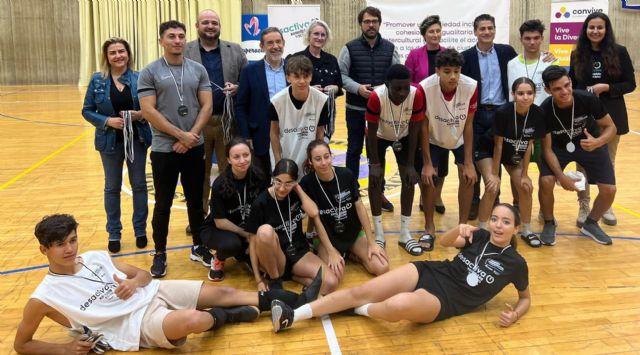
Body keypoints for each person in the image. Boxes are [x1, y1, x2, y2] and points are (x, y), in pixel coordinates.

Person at [13, 214, 321, 353]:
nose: (69, 249)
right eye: (59, 244)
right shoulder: (43, 296)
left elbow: (145, 275)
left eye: (71, 240)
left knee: (224, 291)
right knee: (196, 319)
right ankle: (232, 315)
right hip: (133, 324)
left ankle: (301, 299)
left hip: (152, 292)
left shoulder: (94, 257)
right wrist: (65, 350)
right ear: (44, 250)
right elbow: (21, 344)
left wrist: (135, 284)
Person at [271, 203, 530, 332]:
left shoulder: (516, 264)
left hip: (446, 300)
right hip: (432, 271)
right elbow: (444, 242)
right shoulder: (480, 236)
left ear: (516, 228)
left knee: (397, 306)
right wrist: (458, 228)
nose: (497, 225)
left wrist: (516, 315)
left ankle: (362, 311)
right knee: (361, 289)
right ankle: (293, 316)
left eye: (505, 222)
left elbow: (525, 298)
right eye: (495, 219)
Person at [138, 20, 213, 277]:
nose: (178, 40)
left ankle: (199, 246)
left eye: (181, 36)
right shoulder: (150, 72)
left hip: (194, 145)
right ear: (161, 40)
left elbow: (207, 106)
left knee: (195, 199)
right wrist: (180, 135)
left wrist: (190, 137)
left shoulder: (198, 69)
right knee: (163, 203)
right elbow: (148, 110)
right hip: (164, 148)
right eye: (171, 36)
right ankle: (159, 252)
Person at [81, 37, 152, 253]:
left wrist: (139, 114)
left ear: (128, 54)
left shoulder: (140, 78)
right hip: (109, 142)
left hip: (137, 140)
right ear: (107, 57)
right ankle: (114, 232)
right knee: (112, 188)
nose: (118, 55)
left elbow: (151, 109)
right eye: (113, 52)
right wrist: (106, 121)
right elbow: (87, 110)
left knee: (139, 185)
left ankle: (140, 230)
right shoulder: (97, 80)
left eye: (122, 51)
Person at [569, 12, 636, 228]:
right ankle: (584, 205)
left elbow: (630, 84)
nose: (595, 31)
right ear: (585, 30)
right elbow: (571, 83)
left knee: (608, 162)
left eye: (600, 27)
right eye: (591, 27)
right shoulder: (578, 53)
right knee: (582, 165)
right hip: (584, 116)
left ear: (606, 30)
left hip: (612, 117)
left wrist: (607, 88)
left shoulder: (620, 52)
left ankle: (606, 204)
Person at [184, 9, 247, 235]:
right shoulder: (185, 50)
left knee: (226, 171)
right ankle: (198, 218)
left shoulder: (236, 50)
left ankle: (225, 216)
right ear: (197, 26)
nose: (210, 26)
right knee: (197, 174)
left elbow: (246, 80)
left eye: (214, 22)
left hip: (226, 122)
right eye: (205, 23)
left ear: (219, 26)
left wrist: (239, 88)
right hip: (196, 122)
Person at [538, 65, 617, 246]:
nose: (565, 91)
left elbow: (611, 127)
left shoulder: (587, 99)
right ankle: (549, 222)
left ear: (571, 82)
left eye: (567, 85)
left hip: (590, 143)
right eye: (557, 89)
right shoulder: (544, 110)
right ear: (548, 90)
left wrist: (598, 142)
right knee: (546, 181)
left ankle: (591, 223)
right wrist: (561, 178)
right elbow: (547, 149)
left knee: (609, 190)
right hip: (558, 148)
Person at [245, 159, 340, 295]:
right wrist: (258, 280)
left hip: (298, 252)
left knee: (331, 282)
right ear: (272, 178)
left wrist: (298, 189)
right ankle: (275, 279)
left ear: (295, 182)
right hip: (276, 259)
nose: (282, 188)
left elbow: (313, 212)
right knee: (264, 231)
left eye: (288, 183)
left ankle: (293, 277)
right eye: (278, 181)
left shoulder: (295, 194)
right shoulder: (261, 203)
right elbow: (253, 244)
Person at [339, 6, 400, 212]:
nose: (371, 25)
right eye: (367, 21)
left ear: (379, 23)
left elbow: (396, 76)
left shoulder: (390, 48)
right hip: (355, 109)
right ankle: (350, 191)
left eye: (374, 21)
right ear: (361, 24)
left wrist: (382, 91)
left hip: (380, 112)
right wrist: (358, 89)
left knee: (377, 153)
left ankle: (379, 192)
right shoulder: (349, 48)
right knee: (354, 150)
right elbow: (341, 76)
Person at [300, 139, 389, 276]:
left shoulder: (346, 175)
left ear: (331, 156)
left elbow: (359, 207)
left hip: (352, 234)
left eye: (326, 156)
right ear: (310, 162)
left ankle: (350, 254)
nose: (323, 163)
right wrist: (330, 251)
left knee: (381, 267)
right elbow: (313, 217)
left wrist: (372, 242)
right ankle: (344, 254)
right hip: (326, 238)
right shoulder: (307, 183)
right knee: (334, 275)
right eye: (317, 159)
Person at [418, 49, 478, 249]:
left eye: (456, 71)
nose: (453, 76)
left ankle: (462, 226)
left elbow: (469, 125)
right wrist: (427, 163)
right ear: (437, 71)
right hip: (434, 137)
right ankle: (429, 228)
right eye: (447, 71)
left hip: (459, 137)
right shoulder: (425, 88)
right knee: (428, 178)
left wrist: (469, 162)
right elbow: (423, 126)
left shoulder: (471, 86)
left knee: (469, 176)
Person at [462, 14, 518, 220]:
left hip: (501, 113)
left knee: (497, 156)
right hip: (476, 114)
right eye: (482, 28)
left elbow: (524, 65)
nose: (486, 32)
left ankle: (494, 200)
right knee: (474, 157)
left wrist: (546, 57)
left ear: (495, 30)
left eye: (490, 28)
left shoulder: (507, 52)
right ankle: (474, 202)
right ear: (475, 31)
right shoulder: (466, 56)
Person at [365, 64, 424, 255]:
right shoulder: (376, 97)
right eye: (397, 88)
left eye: (406, 87)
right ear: (386, 84)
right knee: (375, 181)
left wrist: (410, 164)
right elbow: (371, 132)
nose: (402, 93)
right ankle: (379, 234)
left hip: (405, 137)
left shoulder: (416, 95)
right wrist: (374, 164)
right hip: (379, 138)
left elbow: (415, 130)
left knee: (409, 180)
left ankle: (405, 233)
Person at [483, 78, 546, 247]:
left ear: (534, 94)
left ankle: (526, 229)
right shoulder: (503, 112)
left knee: (526, 187)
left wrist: (524, 174)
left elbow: (529, 145)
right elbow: (498, 144)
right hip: (490, 150)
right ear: (513, 94)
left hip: (515, 153)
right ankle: (481, 231)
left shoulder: (538, 113)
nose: (525, 97)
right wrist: (495, 174)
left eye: (529, 93)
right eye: (520, 93)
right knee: (492, 186)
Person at [200, 137, 269, 281]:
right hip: (219, 228)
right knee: (231, 245)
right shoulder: (220, 184)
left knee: (263, 269)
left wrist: (255, 235)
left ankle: (243, 254)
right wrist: (247, 235)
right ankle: (218, 259)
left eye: (246, 155)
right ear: (229, 159)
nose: (242, 160)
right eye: (236, 157)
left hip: (247, 227)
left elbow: (264, 210)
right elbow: (220, 222)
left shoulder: (259, 177)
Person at [405, 14, 448, 215]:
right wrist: (424, 88)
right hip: (421, 111)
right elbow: (407, 81)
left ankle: (437, 194)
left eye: (438, 30)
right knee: (425, 156)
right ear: (424, 35)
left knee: (443, 157)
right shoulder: (414, 54)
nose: (435, 34)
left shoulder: (448, 53)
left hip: (444, 113)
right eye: (431, 31)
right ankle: (425, 195)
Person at [236, 27, 287, 176]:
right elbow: (240, 106)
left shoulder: (293, 67)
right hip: (260, 136)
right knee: (262, 179)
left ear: (284, 43)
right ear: (262, 46)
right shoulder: (249, 71)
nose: (275, 46)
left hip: (289, 133)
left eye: (278, 42)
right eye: (270, 43)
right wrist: (246, 136)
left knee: (288, 176)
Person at [269, 55, 329, 170]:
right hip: (285, 156)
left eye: (305, 76)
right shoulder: (276, 101)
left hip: (309, 159)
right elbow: (274, 133)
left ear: (311, 77)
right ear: (287, 78)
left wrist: (315, 158)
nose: (302, 81)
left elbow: (320, 133)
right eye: (296, 77)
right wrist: (278, 161)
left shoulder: (321, 100)